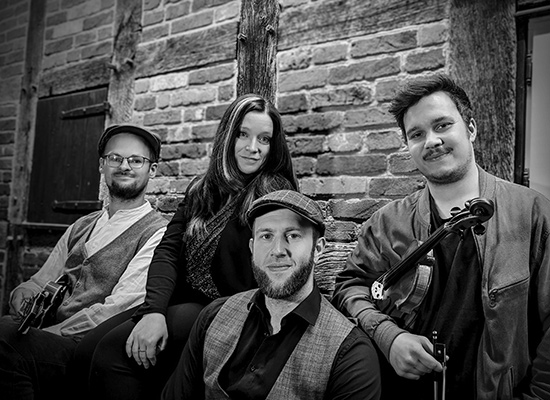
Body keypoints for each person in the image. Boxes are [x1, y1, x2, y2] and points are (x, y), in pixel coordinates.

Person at [332, 74, 550, 399]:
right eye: (417, 134)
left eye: (443, 125)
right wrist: (389, 336)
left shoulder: (532, 213)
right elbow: (350, 287)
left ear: (471, 129)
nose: (431, 141)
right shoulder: (386, 223)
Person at [86, 94, 300, 400]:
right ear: (227, 136)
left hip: (228, 311)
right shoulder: (203, 188)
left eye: (264, 139)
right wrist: (154, 311)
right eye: (243, 134)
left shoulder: (272, 194)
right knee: (87, 349)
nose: (253, 148)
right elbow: (168, 250)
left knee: (112, 354)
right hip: (182, 302)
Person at [0, 124, 168, 400]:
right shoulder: (82, 225)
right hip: (48, 336)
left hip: (88, 348)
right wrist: (23, 293)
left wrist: (50, 332)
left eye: (136, 160)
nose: (124, 166)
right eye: (115, 158)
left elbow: (117, 309)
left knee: (6, 339)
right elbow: (39, 281)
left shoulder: (157, 233)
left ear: (152, 170)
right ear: (102, 165)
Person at [161, 189, 381, 399]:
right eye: (266, 236)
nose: (277, 250)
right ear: (252, 247)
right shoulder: (213, 316)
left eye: (293, 235)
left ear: (318, 249)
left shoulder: (351, 355)